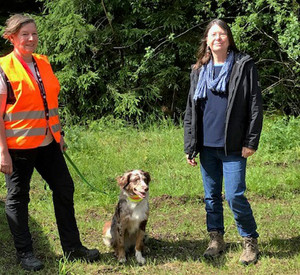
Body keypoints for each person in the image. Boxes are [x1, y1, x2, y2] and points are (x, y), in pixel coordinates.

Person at [0, 14, 100, 272]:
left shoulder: (43, 63)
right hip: (18, 148)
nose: (31, 39)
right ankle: (25, 253)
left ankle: (73, 247)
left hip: (48, 143)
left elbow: (48, 104)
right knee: (18, 199)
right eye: (25, 35)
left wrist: (59, 134)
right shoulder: (3, 68)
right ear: (11, 37)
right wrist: (3, 152)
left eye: (34, 34)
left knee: (64, 188)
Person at [184, 19, 263, 265]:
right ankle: (216, 238)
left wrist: (251, 141)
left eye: (222, 34)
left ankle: (249, 240)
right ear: (207, 40)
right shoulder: (198, 69)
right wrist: (190, 145)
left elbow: (255, 105)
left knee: (234, 195)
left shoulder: (243, 65)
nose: (217, 38)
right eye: (213, 34)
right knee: (211, 197)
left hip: (233, 146)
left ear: (228, 38)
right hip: (206, 146)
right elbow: (190, 110)